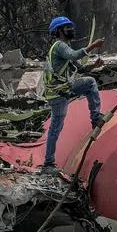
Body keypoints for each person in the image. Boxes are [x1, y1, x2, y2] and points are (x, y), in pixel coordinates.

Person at [42, 16, 106, 174]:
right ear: (58, 32)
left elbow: (81, 69)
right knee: (56, 127)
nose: (70, 30)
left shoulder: (65, 48)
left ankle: (96, 118)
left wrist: (94, 66)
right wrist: (93, 45)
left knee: (89, 82)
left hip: (63, 89)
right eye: (66, 28)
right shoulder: (59, 46)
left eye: (70, 27)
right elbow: (75, 55)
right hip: (57, 93)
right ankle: (48, 164)